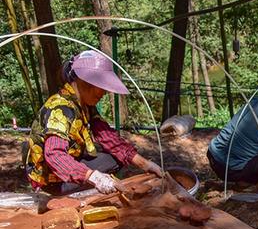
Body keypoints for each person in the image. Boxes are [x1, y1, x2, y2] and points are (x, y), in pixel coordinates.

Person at [25, 50, 163, 195]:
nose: (104, 93)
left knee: (116, 158)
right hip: (50, 179)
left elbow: (107, 136)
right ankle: (56, 196)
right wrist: (93, 177)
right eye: (101, 87)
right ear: (85, 81)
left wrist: (145, 164)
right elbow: (54, 154)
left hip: (71, 162)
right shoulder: (60, 109)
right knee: (99, 171)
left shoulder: (85, 105)